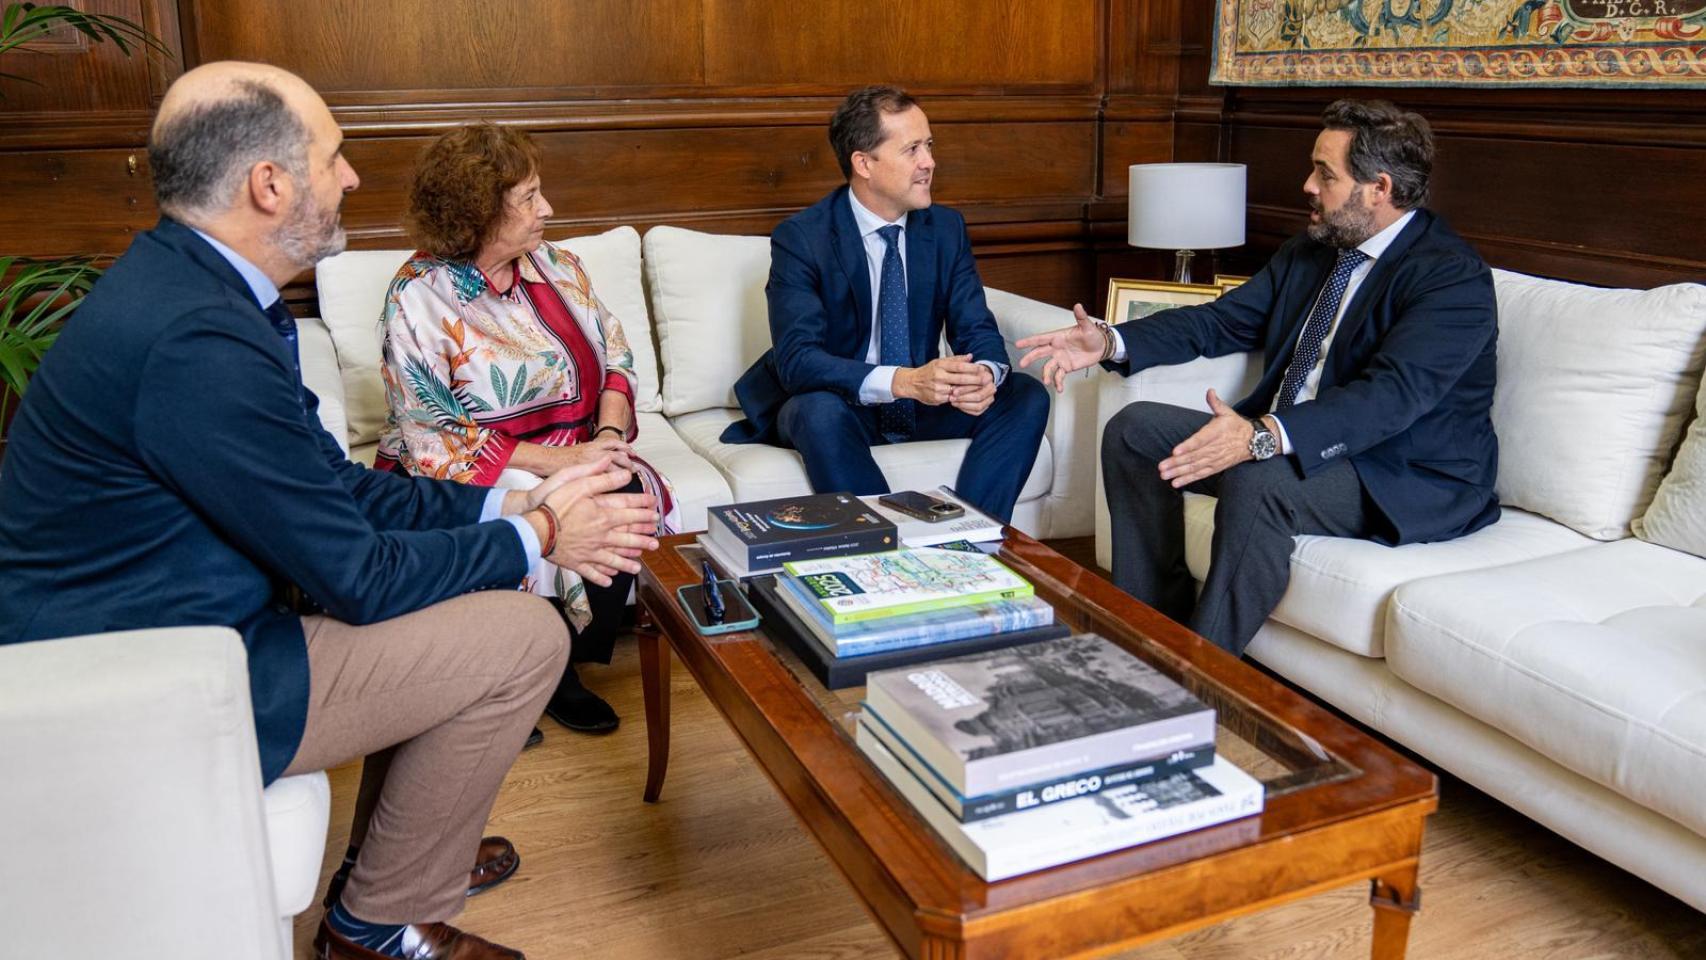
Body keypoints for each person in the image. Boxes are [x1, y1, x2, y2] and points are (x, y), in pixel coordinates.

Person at [0, 61, 658, 960]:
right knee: (526, 639)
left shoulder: (198, 294)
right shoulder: (197, 338)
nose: (350, 177)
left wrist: (509, 500)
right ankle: (375, 925)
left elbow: (338, 488)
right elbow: (357, 575)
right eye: (334, 154)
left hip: (188, 627)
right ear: (269, 185)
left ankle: (385, 874)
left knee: (482, 607)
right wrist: (540, 535)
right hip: (154, 672)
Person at [1017, 99, 1499, 657]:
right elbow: (1222, 320)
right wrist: (1111, 340)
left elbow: (1390, 399)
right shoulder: (1315, 252)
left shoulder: (1450, 278)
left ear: (1379, 188)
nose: (1308, 186)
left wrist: (1260, 435)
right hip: (1298, 440)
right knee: (1133, 431)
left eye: (1326, 173)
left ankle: (1197, 673)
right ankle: (1150, 633)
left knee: (1258, 477)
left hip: (1399, 470)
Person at [375, 122, 678, 735]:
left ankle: (562, 661)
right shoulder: (418, 296)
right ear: (480, 212)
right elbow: (435, 437)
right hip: (472, 459)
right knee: (556, 495)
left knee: (620, 490)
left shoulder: (558, 265)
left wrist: (609, 441)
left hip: (582, 445)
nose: (549, 209)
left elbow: (617, 358)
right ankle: (520, 668)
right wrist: (559, 465)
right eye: (530, 197)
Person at [720, 85, 1049, 524]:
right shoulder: (804, 238)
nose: (929, 162)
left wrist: (984, 375)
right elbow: (797, 360)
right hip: (844, 404)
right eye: (912, 149)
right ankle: (890, 545)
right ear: (864, 163)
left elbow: (977, 327)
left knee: (1024, 393)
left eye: (929, 145)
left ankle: (971, 537)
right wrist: (904, 381)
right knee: (814, 410)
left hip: (919, 403)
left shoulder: (945, 228)